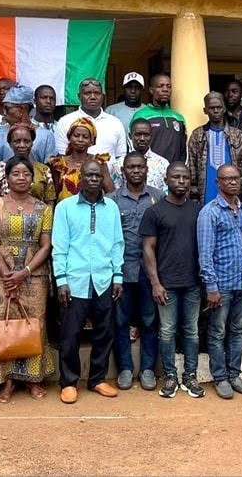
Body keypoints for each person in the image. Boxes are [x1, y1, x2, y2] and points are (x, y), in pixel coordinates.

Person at [0, 156, 56, 402]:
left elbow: (46, 246)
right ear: (7, 177)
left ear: (33, 178)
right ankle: (7, 382)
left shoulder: (44, 209)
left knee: (34, 325)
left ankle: (34, 380)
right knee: (1, 324)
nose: (22, 178)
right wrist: (7, 275)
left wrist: (24, 272)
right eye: (16, 174)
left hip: (34, 275)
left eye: (26, 174)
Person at [52, 160, 124, 404]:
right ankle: (69, 382)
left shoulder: (111, 208)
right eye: (89, 175)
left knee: (105, 332)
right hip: (75, 280)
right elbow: (59, 247)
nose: (93, 179)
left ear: (102, 178)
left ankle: (97, 379)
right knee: (70, 334)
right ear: (80, 177)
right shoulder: (65, 208)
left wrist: (118, 276)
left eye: (97, 175)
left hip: (104, 279)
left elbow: (117, 244)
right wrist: (61, 280)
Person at [140, 162, 204, 398]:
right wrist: (155, 283)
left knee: (191, 332)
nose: (181, 182)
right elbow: (148, 249)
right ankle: (169, 376)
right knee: (166, 332)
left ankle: (190, 376)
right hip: (165, 285)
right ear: (166, 180)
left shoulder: (198, 210)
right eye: (176, 177)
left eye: (185, 177)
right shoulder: (154, 212)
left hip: (193, 283)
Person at [197, 164, 242, 399]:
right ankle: (220, 378)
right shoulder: (209, 213)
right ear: (217, 183)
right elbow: (205, 253)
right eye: (226, 179)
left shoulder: (241, 210)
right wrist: (211, 286)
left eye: (236, 178)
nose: (233, 182)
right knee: (217, 332)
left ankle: (234, 374)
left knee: (237, 330)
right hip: (221, 285)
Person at [110, 152, 163, 391]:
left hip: (150, 272)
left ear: (146, 170)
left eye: (140, 167)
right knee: (120, 321)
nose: (136, 171)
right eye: (131, 167)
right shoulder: (112, 200)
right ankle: (125, 369)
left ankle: (148, 370)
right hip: (121, 271)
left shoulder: (158, 198)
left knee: (149, 321)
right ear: (123, 170)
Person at [187, 92, 242, 204]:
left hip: (234, 197)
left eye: (219, 107)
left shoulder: (238, 135)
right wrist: (194, 198)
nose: (216, 111)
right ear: (205, 110)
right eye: (212, 108)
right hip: (205, 196)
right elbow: (192, 169)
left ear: (224, 109)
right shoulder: (197, 135)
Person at [54, 79, 128, 159]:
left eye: (97, 93)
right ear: (79, 96)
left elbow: (120, 157)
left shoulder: (115, 123)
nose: (93, 97)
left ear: (103, 96)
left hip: (110, 172)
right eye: (87, 93)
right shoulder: (65, 122)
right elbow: (61, 156)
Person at [0, 123, 56, 205]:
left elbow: (50, 202)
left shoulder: (44, 170)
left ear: (32, 143)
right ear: (10, 144)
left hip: (38, 216)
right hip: (5, 216)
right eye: (17, 141)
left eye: (26, 141)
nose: (22, 145)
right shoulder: (0, 168)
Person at [48, 117, 117, 201]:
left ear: (92, 141)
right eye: (76, 136)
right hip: (65, 210)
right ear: (69, 138)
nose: (80, 140)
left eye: (85, 137)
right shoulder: (58, 164)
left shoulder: (98, 162)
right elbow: (53, 193)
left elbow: (110, 192)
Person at [0, 85, 57, 164]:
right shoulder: (1, 133)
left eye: (7, 108)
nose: (4, 113)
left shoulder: (46, 136)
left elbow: (50, 167)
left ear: (22, 109)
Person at [131, 73, 187, 163]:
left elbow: (183, 149)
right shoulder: (141, 116)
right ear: (151, 90)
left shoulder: (179, 118)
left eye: (168, 86)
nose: (165, 89)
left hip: (173, 173)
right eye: (160, 86)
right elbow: (132, 146)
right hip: (149, 171)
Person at [127, 118, 169, 191]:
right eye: (138, 134)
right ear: (130, 136)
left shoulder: (163, 164)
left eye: (146, 135)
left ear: (151, 136)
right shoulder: (120, 164)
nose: (142, 138)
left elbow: (166, 192)